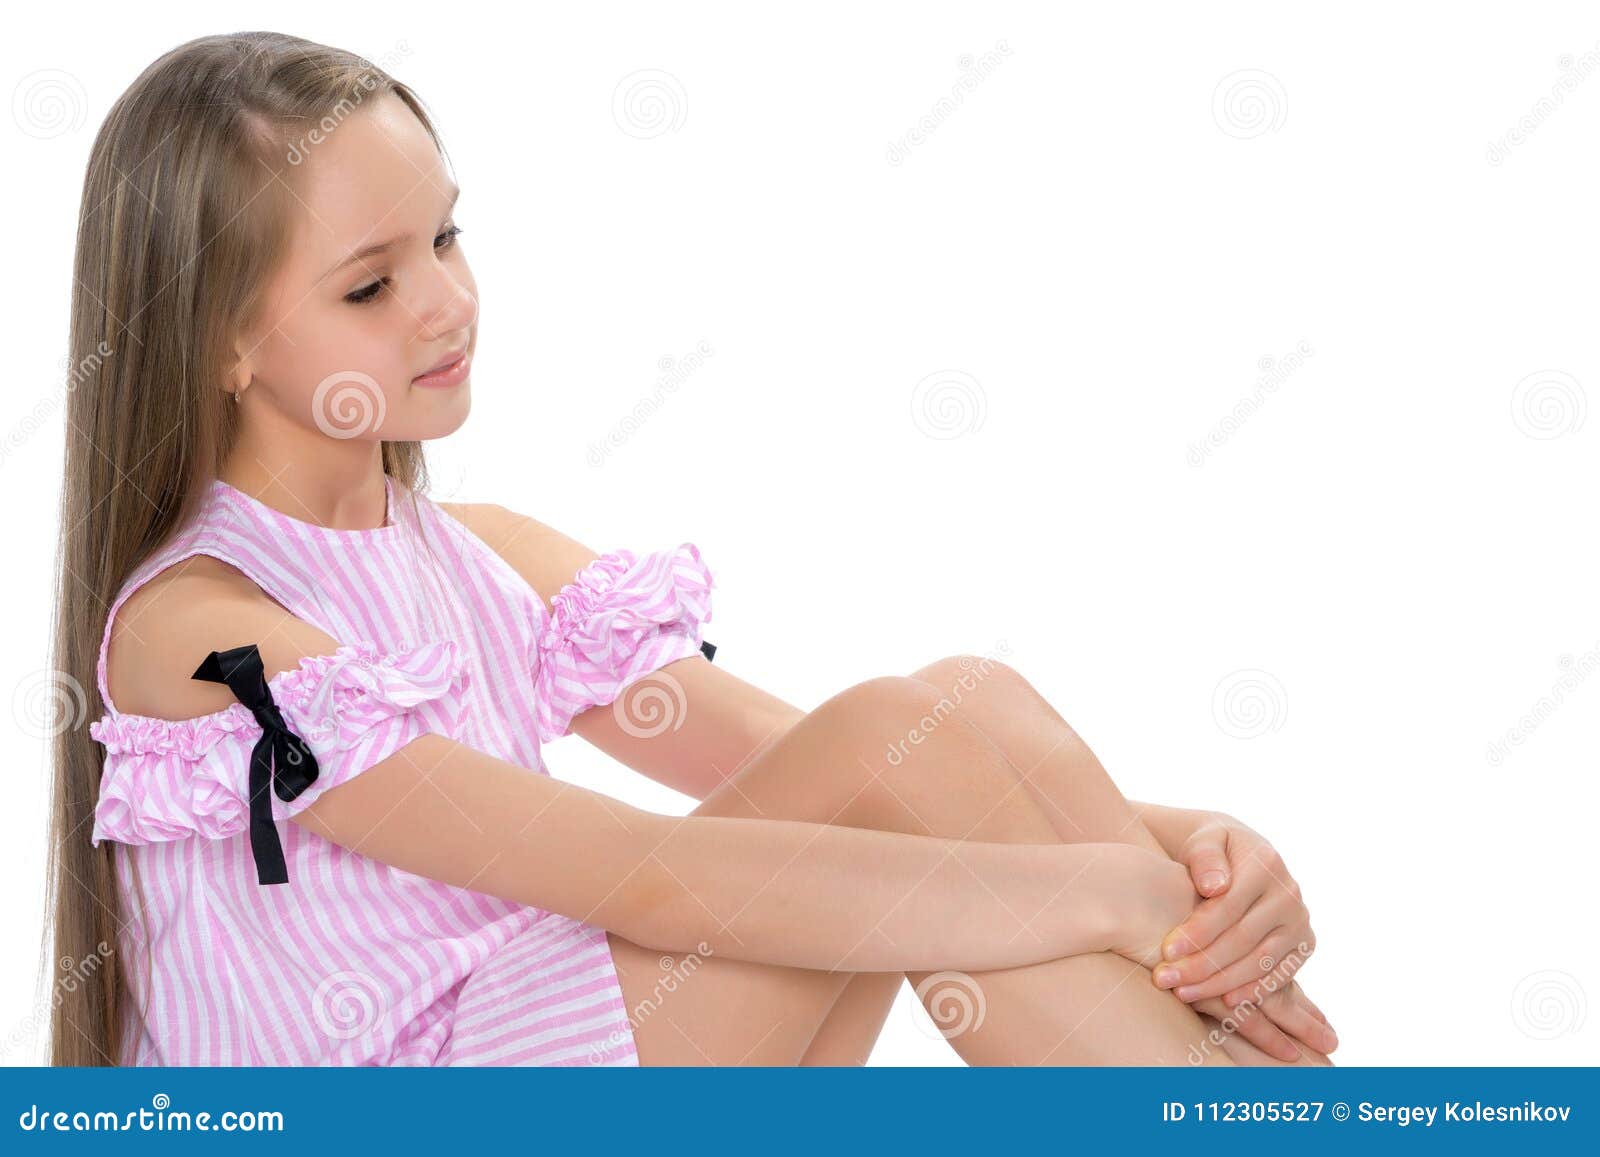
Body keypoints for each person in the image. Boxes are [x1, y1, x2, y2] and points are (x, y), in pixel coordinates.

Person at [46, 31, 1336, 1067]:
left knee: (956, 705)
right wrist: (1112, 895)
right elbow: (646, 880)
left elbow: (878, 766)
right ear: (219, 340)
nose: (445, 301)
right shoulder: (203, 634)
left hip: (557, 1050)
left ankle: (1244, 1090)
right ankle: (1261, 1098)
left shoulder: (484, 559)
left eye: (447, 235)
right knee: (911, 766)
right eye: (370, 285)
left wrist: (1194, 852)